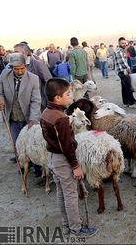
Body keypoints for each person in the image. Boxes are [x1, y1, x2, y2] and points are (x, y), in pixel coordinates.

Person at [40, 78, 98, 239]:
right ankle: (76, 229)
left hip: (51, 158)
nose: (71, 97)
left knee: (61, 191)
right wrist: (75, 166)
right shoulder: (62, 119)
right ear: (57, 98)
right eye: (67, 94)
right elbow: (67, 146)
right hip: (63, 160)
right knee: (71, 195)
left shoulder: (46, 113)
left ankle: (67, 223)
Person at [0, 53, 41, 169]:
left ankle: (36, 166)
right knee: (17, 142)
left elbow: (36, 101)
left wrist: (33, 119)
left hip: (28, 118)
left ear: (26, 65)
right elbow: (0, 93)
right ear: (11, 67)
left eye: (22, 68)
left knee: (32, 143)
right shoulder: (4, 75)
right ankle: (23, 165)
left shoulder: (33, 79)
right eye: (16, 69)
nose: (20, 71)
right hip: (12, 117)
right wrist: (0, 100)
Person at [114, 37, 136, 108]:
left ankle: (125, 102)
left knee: (124, 87)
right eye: (122, 43)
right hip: (123, 71)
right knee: (128, 87)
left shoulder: (122, 50)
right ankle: (131, 103)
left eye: (125, 43)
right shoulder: (119, 51)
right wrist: (129, 69)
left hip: (122, 71)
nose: (124, 44)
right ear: (119, 43)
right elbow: (123, 62)